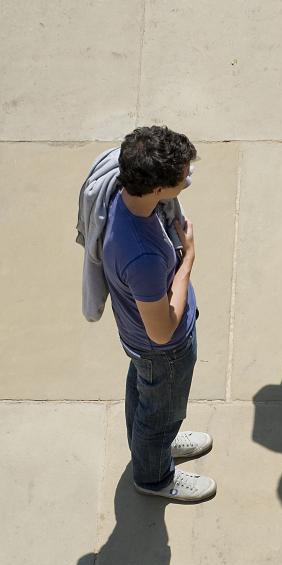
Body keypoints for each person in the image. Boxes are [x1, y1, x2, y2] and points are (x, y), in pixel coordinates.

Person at [100, 126, 217, 502]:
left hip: (138, 342)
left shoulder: (118, 185)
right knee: (160, 410)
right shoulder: (144, 257)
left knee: (145, 391)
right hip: (163, 350)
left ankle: (153, 443)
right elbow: (163, 331)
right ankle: (153, 474)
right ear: (157, 189)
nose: (188, 181)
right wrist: (188, 262)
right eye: (182, 180)